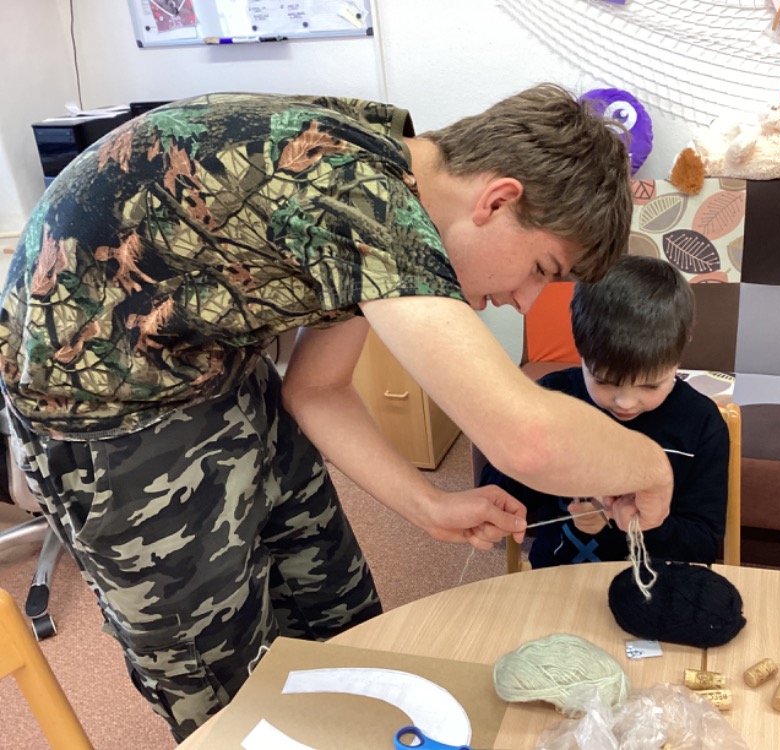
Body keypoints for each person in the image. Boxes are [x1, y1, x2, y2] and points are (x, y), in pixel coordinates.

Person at [0, 85, 675, 739]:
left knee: (335, 606)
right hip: (107, 410)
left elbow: (315, 388)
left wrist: (427, 504)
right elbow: (526, 437)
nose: (526, 301)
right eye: (542, 269)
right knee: (225, 682)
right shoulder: (356, 193)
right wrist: (651, 465)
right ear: (497, 200)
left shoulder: (397, 167)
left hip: (214, 362)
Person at [480, 255, 728, 569]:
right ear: (580, 349)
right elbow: (498, 495)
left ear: (680, 352)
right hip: (559, 577)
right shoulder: (551, 398)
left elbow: (702, 545)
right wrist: (549, 462)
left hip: (658, 582)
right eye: (604, 382)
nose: (626, 403)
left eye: (650, 385)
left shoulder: (701, 423)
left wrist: (639, 523)